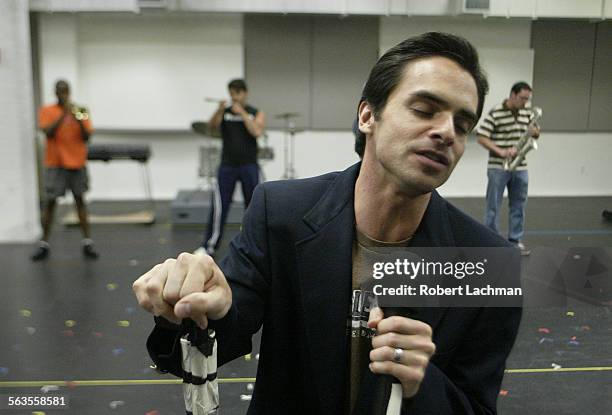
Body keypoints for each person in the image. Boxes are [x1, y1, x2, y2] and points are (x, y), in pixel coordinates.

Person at [133, 32, 522, 414]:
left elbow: (476, 406)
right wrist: (190, 308)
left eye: (462, 124)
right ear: (368, 115)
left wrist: (423, 384)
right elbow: (222, 332)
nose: (446, 132)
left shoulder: (488, 264)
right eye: (424, 109)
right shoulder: (280, 212)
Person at [194, 79, 266, 257]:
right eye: (232, 93)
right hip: (228, 165)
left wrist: (241, 113)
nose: (234, 97)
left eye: (237, 93)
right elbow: (211, 127)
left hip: (249, 165)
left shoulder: (254, 112)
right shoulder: (224, 112)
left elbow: (256, 131)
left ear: (245, 93)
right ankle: (209, 245)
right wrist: (219, 110)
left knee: (254, 206)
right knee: (220, 206)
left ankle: (254, 245)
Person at [31, 80, 99, 261]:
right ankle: (44, 243)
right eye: (60, 91)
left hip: (76, 162)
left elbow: (87, 136)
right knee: (50, 202)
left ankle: (87, 242)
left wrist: (78, 119)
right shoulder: (47, 111)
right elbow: (48, 132)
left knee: (80, 201)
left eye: (65, 91)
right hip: (55, 164)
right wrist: (63, 115)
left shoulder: (81, 110)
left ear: (69, 92)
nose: (63, 94)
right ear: (55, 93)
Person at [477, 82, 540, 256]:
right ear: (512, 94)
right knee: (493, 206)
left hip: (520, 166)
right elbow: (481, 136)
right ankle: (491, 242)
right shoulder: (496, 112)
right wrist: (501, 151)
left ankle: (515, 241)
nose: (525, 102)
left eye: (528, 99)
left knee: (519, 205)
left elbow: (535, 132)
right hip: (498, 166)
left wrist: (535, 133)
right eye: (522, 98)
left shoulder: (527, 113)